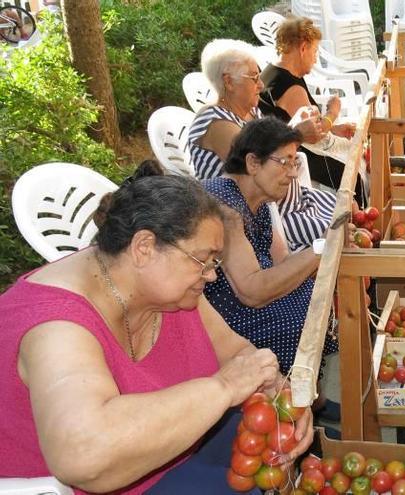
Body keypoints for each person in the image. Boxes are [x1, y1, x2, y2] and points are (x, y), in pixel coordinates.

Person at [0, 161, 313, 493]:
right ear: (144, 247)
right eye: (202, 261)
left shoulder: (166, 287)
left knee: (272, 454)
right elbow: (84, 455)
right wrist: (222, 388)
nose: (211, 275)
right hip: (102, 483)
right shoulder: (56, 327)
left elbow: (234, 351)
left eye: (213, 262)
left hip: (175, 450)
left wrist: (279, 395)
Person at [201, 117, 338, 409]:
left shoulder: (258, 202)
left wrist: (322, 256)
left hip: (246, 299)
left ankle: (307, 395)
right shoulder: (225, 206)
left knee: (324, 294)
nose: (291, 173)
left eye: (294, 163)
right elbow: (252, 291)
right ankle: (287, 407)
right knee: (299, 317)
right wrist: (323, 246)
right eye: (284, 162)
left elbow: (284, 261)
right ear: (253, 163)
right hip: (221, 314)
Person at [188, 38, 335, 253]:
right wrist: (296, 134)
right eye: (254, 77)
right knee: (337, 236)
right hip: (268, 216)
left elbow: (273, 146)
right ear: (228, 82)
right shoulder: (214, 122)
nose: (261, 85)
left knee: (348, 207)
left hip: (294, 200)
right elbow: (257, 163)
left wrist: (295, 127)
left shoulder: (250, 111)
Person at [258, 16, 366, 205]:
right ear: (303, 49)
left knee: (356, 151)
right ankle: (358, 222)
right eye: (315, 51)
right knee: (354, 171)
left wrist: (335, 128)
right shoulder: (291, 87)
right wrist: (333, 112)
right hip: (297, 156)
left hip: (285, 148)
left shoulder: (273, 71)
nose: (315, 59)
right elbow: (314, 134)